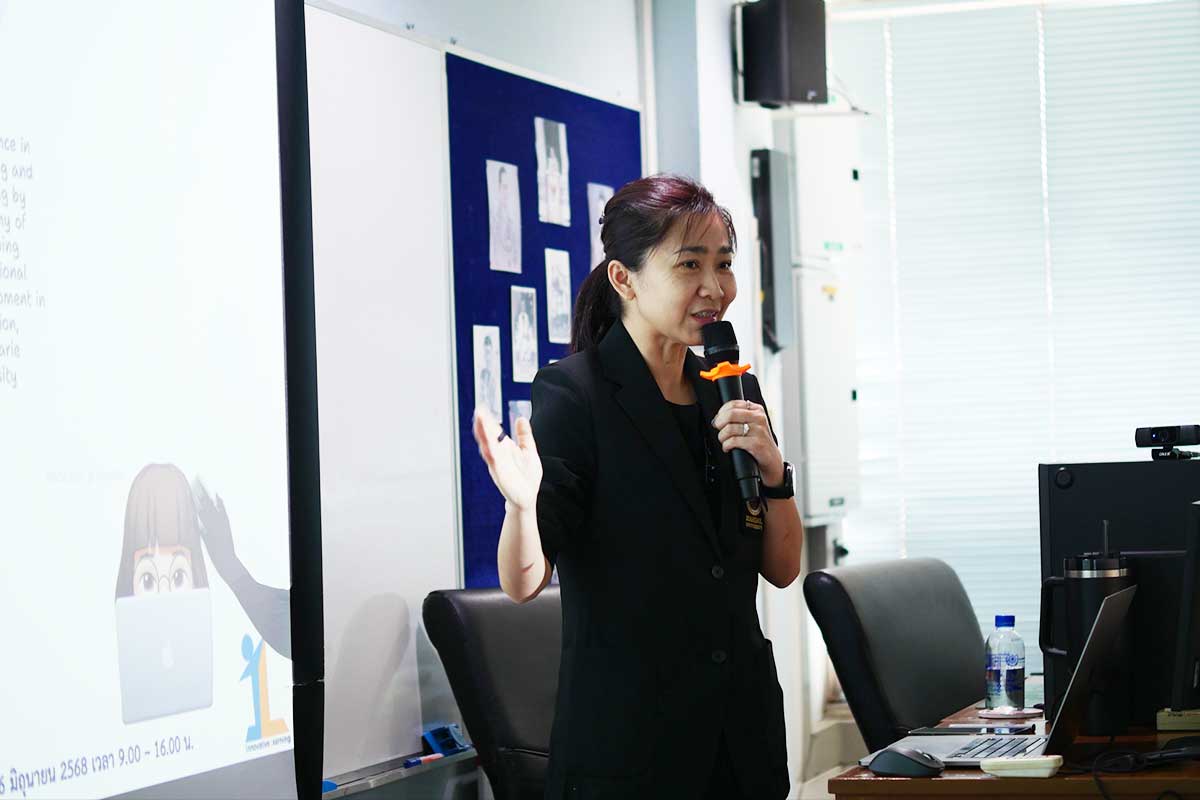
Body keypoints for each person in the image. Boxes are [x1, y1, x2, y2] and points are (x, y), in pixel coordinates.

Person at [472, 175, 804, 799]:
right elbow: (523, 582)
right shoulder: (576, 393)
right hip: (631, 751)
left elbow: (781, 570)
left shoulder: (733, 389)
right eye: (689, 265)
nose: (715, 287)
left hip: (741, 742)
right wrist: (521, 508)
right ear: (624, 279)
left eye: (724, 264)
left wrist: (773, 473)